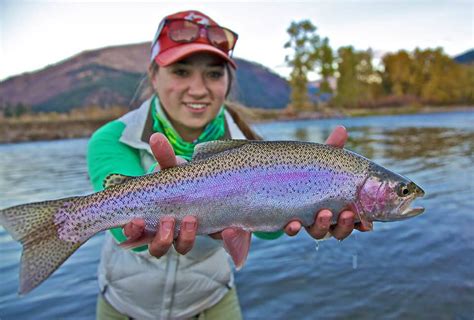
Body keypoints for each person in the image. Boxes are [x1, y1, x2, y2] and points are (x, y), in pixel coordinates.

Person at [87, 10, 370, 320]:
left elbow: (268, 232)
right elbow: (130, 238)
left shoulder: (254, 144)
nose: (198, 89)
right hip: (122, 306)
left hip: (213, 302)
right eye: (181, 72)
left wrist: (310, 197)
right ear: (154, 75)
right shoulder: (112, 138)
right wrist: (167, 192)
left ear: (228, 81)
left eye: (213, 73)